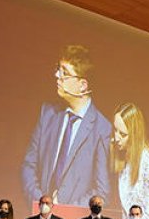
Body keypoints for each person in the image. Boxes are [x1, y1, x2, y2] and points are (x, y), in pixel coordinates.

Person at [21, 44, 112, 208]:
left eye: (64, 73)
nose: (57, 75)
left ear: (82, 85)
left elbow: (101, 190)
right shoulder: (48, 114)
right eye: (58, 69)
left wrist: (64, 211)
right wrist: (40, 202)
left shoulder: (102, 129)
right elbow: (29, 165)